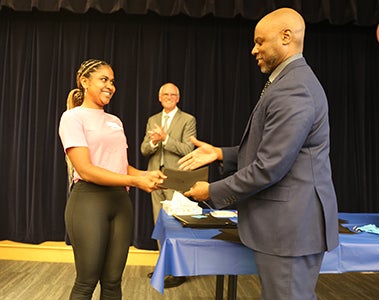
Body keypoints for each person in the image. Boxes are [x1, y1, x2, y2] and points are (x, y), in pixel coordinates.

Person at [179, 8, 339, 300]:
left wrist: (211, 191)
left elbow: (269, 166)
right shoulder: (289, 82)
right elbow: (271, 148)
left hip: (289, 229)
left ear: (286, 37)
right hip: (287, 228)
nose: (254, 50)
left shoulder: (294, 88)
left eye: (260, 41)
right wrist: (219, 154)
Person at [59, 59, 166, 300]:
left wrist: (143, 175)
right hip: (89, 202)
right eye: (103, 79)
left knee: (113, 282)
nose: (110, 86)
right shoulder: (73, 117)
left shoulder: (115, 121)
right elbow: (85, 169)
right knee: (86, 282)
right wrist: (137, 182)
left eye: (113, 81)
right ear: (84, 82)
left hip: (120, 202)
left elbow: (120, 165)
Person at [140, 82, 196, 288]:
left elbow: (187, 149)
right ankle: (165, 266)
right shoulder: (152, 120)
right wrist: (154, 142)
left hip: (177, 180)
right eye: (166, 94)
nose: (169, 97)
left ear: (178, 98)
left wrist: (165, 139)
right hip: (156, 180)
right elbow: (144, 149)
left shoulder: (188, 120)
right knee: (160, 225)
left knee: (176, 226)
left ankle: (179, 271)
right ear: (159, 97)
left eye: (173, 94)